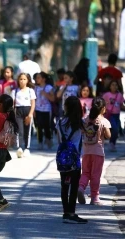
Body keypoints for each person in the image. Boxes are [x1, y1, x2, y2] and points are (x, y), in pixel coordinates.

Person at [56, 96, 87, 224]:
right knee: (74, 186)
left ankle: (65, 212)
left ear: (66, 107)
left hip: (62, 157)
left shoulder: (60, 122)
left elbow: (59, 140)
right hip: (74, 159)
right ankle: (72, 213)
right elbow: (83, 140)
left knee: (64, 185)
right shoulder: (81, 124)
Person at [78, 97, 111, 205]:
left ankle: (81, 188)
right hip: (98, 152)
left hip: (86, 151)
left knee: (85, 172)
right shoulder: (104, 121)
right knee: (95, 174)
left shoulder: (86, 119)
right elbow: (108, 136)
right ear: (102, 109)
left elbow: (82, 131)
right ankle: (94, 197)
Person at [11, 73, 36, 158]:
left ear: (28, 80)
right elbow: (13, 104)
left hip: (27, 111)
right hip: (18, 112)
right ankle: (19, 148)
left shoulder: (30, 90)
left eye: (24, 79)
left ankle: (27, 148)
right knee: (19, 130)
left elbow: (33, 103)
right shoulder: (15, 91)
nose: (22, 81)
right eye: (21, 79)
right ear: (18, 80)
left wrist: (30, 114)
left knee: (27, 131)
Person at [102, 80, 125, 151]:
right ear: (109, 86)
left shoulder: (119, 95)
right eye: (113, 85)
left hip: (117, 115)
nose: (114, 86)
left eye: (116, 85)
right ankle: (111, 142)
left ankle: (113, 143)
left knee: (117, 130)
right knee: (114, 128)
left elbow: (121, 105)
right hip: (110, 114)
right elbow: (102, 103)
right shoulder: (106, 95)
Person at [34, 72, 55, 149]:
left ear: (44, 79)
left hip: (46, 109)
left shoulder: (48, 87)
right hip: (38, 109)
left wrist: (46, 94)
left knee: (47, 126)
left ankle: (48, 139)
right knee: (39, 126)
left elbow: (53, 99)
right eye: (36, 78)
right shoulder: (36, 88)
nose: (37, 79)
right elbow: (34, 99)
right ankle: (40, 141)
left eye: (39, 77)